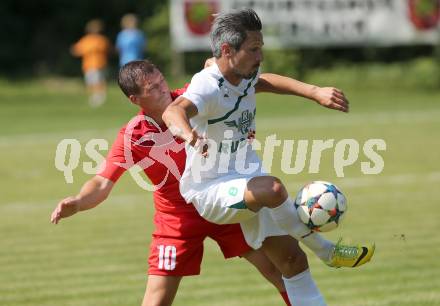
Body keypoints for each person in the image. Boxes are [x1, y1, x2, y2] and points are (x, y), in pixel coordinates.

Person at [162, 8, 375, 306]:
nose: (260, 56)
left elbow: (264, 81)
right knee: (273, 188)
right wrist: (188, 133)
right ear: (227, 50)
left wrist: (314, 92)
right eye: (253, 49)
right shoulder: (208, 84)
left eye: (260, 48)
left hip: (247, 182)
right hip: (210, 191)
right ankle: (327, 250)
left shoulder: (242, 71)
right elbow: (174, 110)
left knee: (292, 261)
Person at [51, 60, 299, 306]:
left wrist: (217, 64)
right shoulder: (134, 135)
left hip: (222, 200)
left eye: (161, 80)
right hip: (178, 219)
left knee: (277, 271)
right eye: (152, 88)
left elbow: (227, 76)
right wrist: (80, 202)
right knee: (157, 300)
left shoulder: (190, 98)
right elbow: (102, 182)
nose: (162, 89)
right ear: (135, 99)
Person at [71, 19, 110, 107]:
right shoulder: (86, 40)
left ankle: (99, 97)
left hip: (99, 64)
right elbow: (77, 50)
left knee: (98, 81)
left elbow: (104, 48)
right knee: (90, 82)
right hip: (88, 65)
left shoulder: (101, 40)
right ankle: (94, 97)